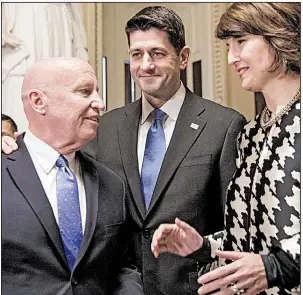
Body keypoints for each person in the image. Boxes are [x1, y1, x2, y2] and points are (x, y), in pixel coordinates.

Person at [2, 6, 247, 295]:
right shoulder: (104, 126)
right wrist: (17, 144)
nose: (145, 65)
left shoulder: (224, 125)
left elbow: (237, 227)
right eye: (136, 55)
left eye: (157, 53)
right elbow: (56, 159)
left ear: (182, 58)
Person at [151, 3, 300, 295]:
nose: (232, 58)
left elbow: (273, 260)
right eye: (228, 46)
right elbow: (256, 237)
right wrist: (205, 246)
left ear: (279, 37)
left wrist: (275, 268)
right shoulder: (250, 134)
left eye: (241, 42)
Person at [2, 57, 144, 295]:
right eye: (85, 92)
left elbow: (121, 267)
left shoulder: (110, 183)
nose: (100, 103)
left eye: (96, 92)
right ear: (39, 102)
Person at [2, 3, 88, 132]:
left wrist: (81, 47)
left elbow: (75, 12)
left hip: (59, 22)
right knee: (23, 87)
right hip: (24, 23)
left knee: (60, 89)